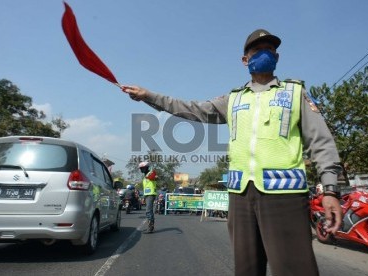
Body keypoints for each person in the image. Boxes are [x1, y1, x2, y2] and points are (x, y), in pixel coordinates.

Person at [122, 29, 342, 275]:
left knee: (295, 269)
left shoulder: (294, 93)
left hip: (285, 197)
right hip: (241, 199)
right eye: (257, 51)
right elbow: (190, 108)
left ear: (277, 57)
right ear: (245, 60)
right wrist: (148, 96)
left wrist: (330, 189)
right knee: (246, 269)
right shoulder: (233, 100)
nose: (264, 54)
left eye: (270, 50)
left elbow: (322, 142)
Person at [138, 161, 158, 233]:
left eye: (142, 168)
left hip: (151, 194)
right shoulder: (145, 176)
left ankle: (150, 227)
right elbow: (145, 187)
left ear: (146, 168)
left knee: (148, 211)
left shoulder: (151, 173)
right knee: (149, 211)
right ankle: (150, 226)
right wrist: (143, 197)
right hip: (147, 195)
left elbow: (154, 177)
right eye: (140, 169)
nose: (141, 170)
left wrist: (152, 176)